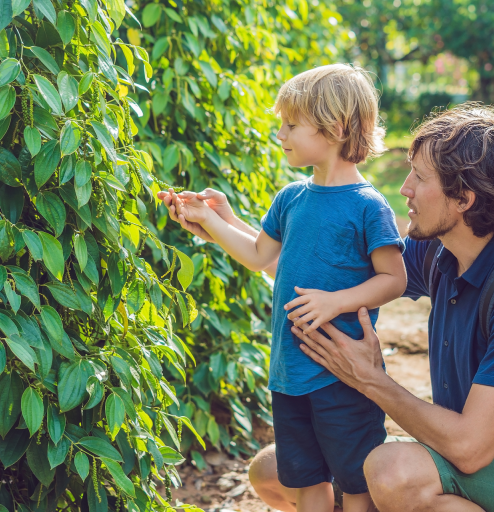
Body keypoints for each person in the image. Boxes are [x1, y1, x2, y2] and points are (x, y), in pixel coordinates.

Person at [172, 103, 494, 512]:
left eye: (419, 178)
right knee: (273, 470)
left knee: (393, 472)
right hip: (464, 465)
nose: (404, 188)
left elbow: (469, 449)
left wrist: (370, 380)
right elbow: (316, 272)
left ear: (463, 198)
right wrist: (223, 227)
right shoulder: (439, 253)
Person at [159, 63, 406, 512]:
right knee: (307, 479)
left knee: (355, 484)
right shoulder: (290, 197)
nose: (281, 135)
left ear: (333, 127)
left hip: (342, 376)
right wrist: (210, 220)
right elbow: (258, 255)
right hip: (289, 375)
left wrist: (337, 301)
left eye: (291, 125)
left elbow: (395, 279)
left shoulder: (369, 206)